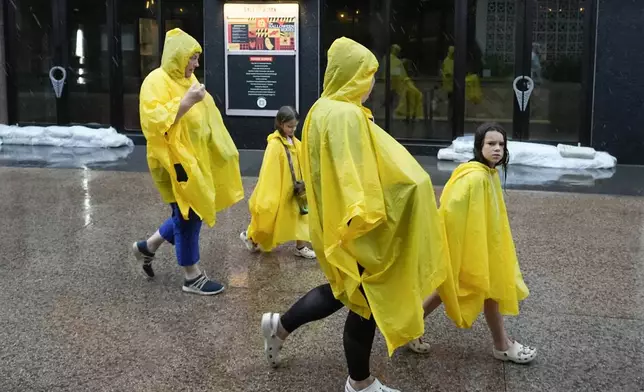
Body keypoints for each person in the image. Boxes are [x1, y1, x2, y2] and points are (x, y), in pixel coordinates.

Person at [260, 37, 449, 392]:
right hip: (355, 224)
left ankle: (279, 327)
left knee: (342, 290)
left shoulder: (322, 108)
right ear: (350, 75)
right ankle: (359, 383)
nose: (372, 82)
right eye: (367, 74)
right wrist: (367, 217)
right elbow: (353, 175)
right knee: (364, 303)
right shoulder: (345, 115)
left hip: (332, 221)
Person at [407, 123, 537, 364]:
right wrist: (467, 248)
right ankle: (502, 346)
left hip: (480, 247)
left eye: (501, 144)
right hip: (473, 249)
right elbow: (451, 210)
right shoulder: (476, 177)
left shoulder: (486, 173)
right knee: (488, 292)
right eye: (491, 144)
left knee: (449, 289)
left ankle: (410, 328)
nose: (497, 149)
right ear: (480, 146)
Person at [130, 28, 244, 295]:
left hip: (194, 160)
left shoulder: (186, 81)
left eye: (196, 58)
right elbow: (154, 121)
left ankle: (148, 247)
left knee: (190, 208)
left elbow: (206, 121)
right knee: (188, 213)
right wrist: (187, 102)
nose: (196, 64)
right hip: (171, 162)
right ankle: (191, 276)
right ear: (177, 56)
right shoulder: (155, 81)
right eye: (192, 58)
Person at [239, 106, 316, 259]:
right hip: (280, 190)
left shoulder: (294, 142)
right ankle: (250, 236)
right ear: (280, 124)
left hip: (294, 189)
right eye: (289, 126)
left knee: (300, 214)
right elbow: (269, 171)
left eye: (295, 126)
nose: (293, 129)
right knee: (269, 216)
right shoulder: (275, 145)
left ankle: (301, 246)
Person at [388, 44, 423, 121]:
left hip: (401, 82)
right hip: (399, 83)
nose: (397, 52)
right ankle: (403, 112)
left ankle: (408, 113)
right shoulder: (392, 60)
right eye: (396, 50)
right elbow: (394, 73)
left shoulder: (394, 60)